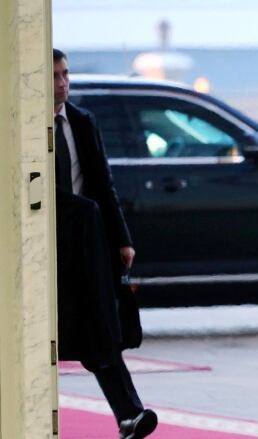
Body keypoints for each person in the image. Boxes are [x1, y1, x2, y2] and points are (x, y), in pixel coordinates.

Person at [53, 48, 157, 439]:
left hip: (86, 245)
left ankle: (130, 415)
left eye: (66, 75)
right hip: (42, 249)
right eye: (54, 77)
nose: (62, 83)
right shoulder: (25, 127)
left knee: (100, 327)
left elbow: (102, 183)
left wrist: (122, 239)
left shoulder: (82, 121)